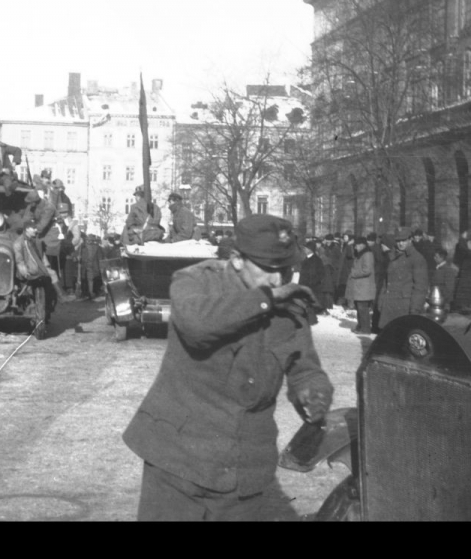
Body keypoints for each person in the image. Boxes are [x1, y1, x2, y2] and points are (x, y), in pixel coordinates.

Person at [123, 214, 334, 521]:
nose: (279, 280)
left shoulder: (291, 309)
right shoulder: (197, 280)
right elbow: (197, 326)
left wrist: (314, 392)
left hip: (243, 471)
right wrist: (266, 300)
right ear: (236, 259)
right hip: (179, 461)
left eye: (286, 269)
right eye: (270, 269)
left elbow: (305, 368)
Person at [378, 226, 429, 329]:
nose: (400, 244)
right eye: (398, 241)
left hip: (404, 308)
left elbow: (420, 288)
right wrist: (381, 301)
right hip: (389, 306)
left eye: (404, 240)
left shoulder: (417, 259)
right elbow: (386, 282)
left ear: (410, 239)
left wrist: (415, 310)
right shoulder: (393, 256)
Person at [346, 236, 376, 335]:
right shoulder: (361, 254)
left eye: (357, 245)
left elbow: (367, 270)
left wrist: (354, 273)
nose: (355, 247)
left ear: (363, 245)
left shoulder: (367, 254)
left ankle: (365, 329)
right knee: (359, 308)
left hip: (364, 287)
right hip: (360, 287)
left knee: (363, 309)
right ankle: (360, 326)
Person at [298, 240, 326, 325]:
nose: (304, 250)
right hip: (305, 285)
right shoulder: (305, 259)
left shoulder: (317, 260)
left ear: (310, 249)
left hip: (313, 286)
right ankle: (309, 319)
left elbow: (321, 273)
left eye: (306, 248)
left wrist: (314, 282)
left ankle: (311, 320)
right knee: (306, 303)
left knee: (309, 303)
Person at [431, 248, 457, 312]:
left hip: (444, 302)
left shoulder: (448, 270)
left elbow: (449, 288)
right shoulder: (437, 268)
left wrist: (442, 299)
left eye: (436, 256)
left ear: (442, 258)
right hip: (436, 300)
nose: (434, 258)